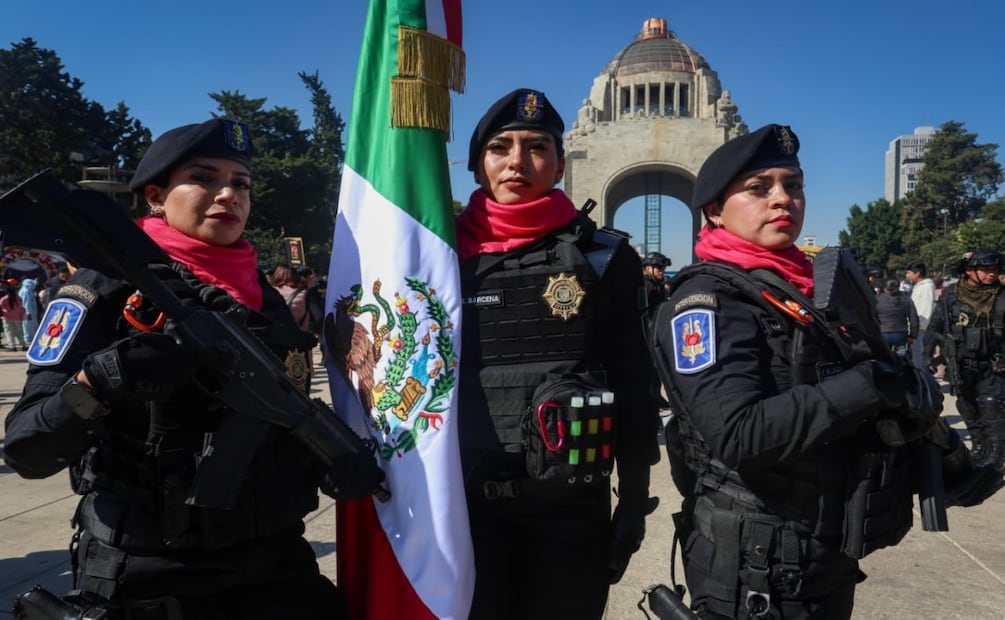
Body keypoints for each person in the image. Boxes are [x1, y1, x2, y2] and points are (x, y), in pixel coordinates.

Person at [4, 118, 379, 618]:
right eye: (204, 178)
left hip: (272, 565)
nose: (228, 194)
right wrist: (101, 380)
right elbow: (26, 446)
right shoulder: (104, 288)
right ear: (156, 195)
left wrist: (327, 458)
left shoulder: (263, 299)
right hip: (151, 571)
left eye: (240, 183)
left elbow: (272, 418)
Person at [649, 124, 994, 619]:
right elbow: (739, 436)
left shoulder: (798, 290)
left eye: (793, 184)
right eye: (757, 187)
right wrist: (867, 385)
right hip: (758, 563)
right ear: (714, 211)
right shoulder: (707, 303)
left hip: (823, 548)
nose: (782, 198)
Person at [455, 88, 660, 619]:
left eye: (537, 147)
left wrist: (634, 504)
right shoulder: (437, 257)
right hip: (466, 508)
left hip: (570, 510)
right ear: (479, 166)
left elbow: (635, 385)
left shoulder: (604, 256)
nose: (518, 162)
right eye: (501, 147)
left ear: (561, 164)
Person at [926, 249, 1005, 469]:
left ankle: (996, 456)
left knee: (992, 408)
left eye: (995, 270)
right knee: (966, 406)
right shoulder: (952, 294)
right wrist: (928, 355)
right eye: (986, 269)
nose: (992, 274)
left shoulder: (1001, 295)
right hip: (962, 364)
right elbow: (936, 326)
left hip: (994, 366)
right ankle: (980, 448)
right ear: (970, 271)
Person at [876, 278, 919, 364]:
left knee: (883, 360)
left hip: (882, 333)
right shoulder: (906, 299)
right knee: (901, 359)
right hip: (900, 334)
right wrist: (913, 335)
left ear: (885, 288)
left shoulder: (877, 299)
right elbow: (914, 320)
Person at [906, 260, 935, 369]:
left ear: (917, 273)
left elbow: (926, 309)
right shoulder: (918, 286)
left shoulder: (926, 287)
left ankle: (923, 377)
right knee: (916, 353)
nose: (907, 275)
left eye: (909, 273)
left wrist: (918, 327)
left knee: (920, 354)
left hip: (922, 327)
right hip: (916, 326)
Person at [642, 251, 671, 319]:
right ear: (648, 268)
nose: (662, 272)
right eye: (659, 268)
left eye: (663, 269)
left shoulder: (655, 283)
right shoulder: (647, 284)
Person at [1, 277, 27, 351]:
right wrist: (22, 317)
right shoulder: (18, 298)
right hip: (17, 318)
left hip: (7, 318)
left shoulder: (3, 299)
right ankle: (23, 345)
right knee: (19, 332)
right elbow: (22, 308)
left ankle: (12, 347)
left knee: (9, 332)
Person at [18, 276, 41, 344]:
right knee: (28, 326)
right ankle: (28, 338)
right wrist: (28, 312)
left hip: (31, 311)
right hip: (28, 312)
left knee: (31, 325)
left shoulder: (27, 291)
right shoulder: (26, 292)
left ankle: (32, 337)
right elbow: (26, 303)